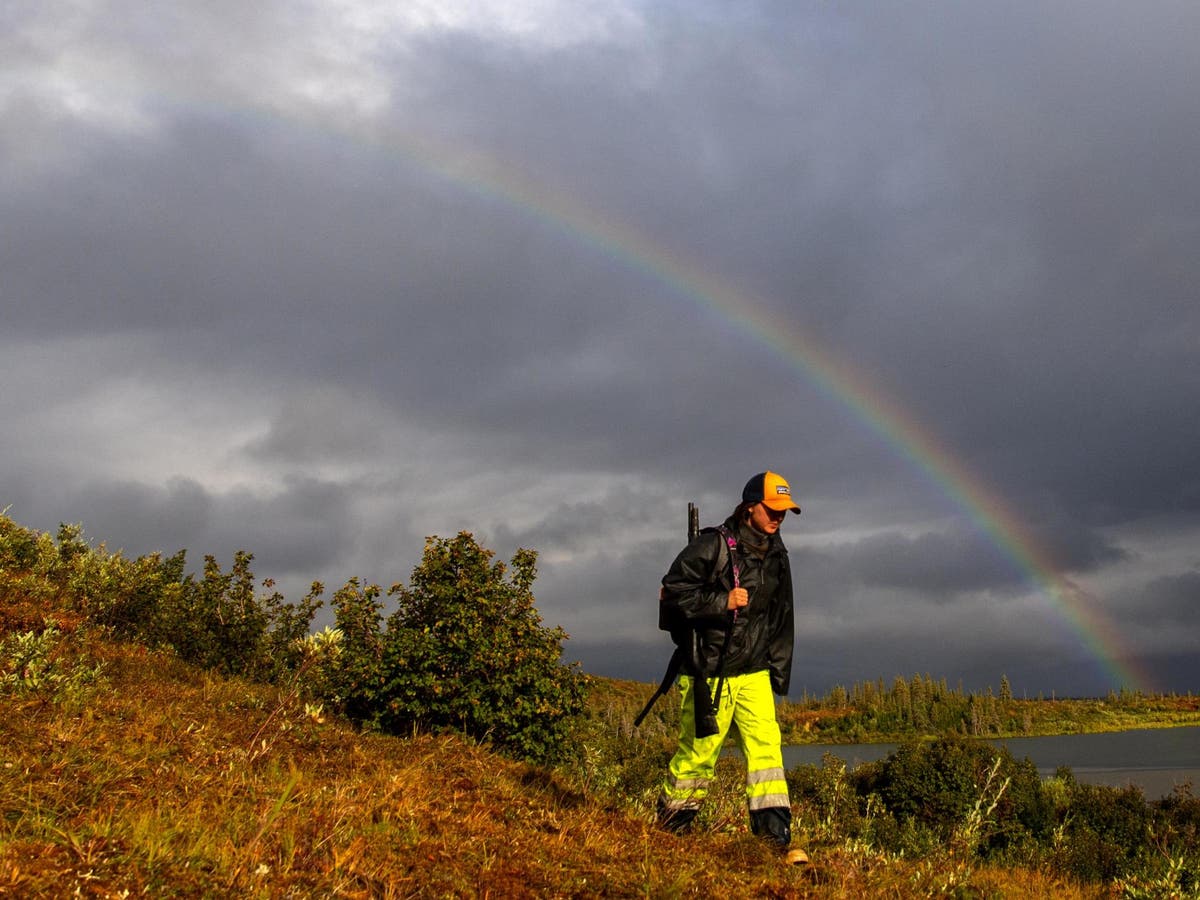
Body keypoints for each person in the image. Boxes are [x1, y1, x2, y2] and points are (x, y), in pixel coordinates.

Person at [655, 471, 807, 864]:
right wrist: (721, 602)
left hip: (754, 671)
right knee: (699, 754)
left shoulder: (778, 553)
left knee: (766, 754)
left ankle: (772, 842)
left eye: (784, 512)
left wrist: (778, 668)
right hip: (709, 671)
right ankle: (671, 835)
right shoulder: (712, 546)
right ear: (750, 506)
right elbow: (672, 597)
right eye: (773, 510)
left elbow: (782, 613)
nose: (778, 518)